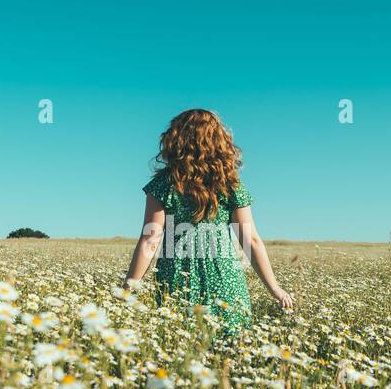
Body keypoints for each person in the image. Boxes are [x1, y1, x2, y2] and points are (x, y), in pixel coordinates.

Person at [124, 109, 294, 329]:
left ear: (175, 139)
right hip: (225, 280)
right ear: (219, 141)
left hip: (176, 279)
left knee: (179, 348)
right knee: (229, 353)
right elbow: (250, 240)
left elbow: (150, 239)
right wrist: (275, 289)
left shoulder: (164, 184)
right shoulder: (230, 184)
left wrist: (129, 287)